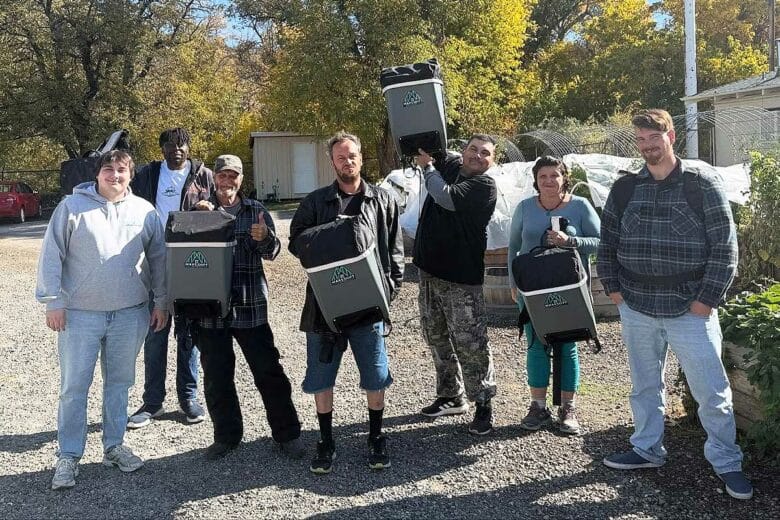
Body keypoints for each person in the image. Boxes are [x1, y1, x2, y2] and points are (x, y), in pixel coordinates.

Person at [597, 109, 752, 500]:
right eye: (641, 140)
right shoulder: (626, 189)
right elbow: (607, 243)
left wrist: (706, 301)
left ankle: (726, 461)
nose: (648, 146)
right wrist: (615, 291)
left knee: (711, 392)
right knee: (644, 387)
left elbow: (725, 249)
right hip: (637, 307)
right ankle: (647, 449)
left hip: (689, 309)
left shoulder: (701, 186)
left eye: (655, 137)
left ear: (671, 138)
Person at [36, 150, 167, 490]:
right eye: (107, 169)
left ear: (130, 175)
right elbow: (52, 254)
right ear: (97, 174)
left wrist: (162, 302)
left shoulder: (145, 211)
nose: (114, 175)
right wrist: (53, 300)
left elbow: (158, 260)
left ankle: (114, 446)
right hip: (80, 316)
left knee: (120, 384)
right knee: (74, 388)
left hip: (130, 313)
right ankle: (68, 456)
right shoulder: (71, 208)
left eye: (121, 170)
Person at [289, 131, 403, 474]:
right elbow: (297, 244)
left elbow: (395, 252)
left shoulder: (383, 199)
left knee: (375, 376)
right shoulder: (315, 202)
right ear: (332, 161)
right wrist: (334, 234)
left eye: (352, 155)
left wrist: (389, 290)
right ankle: (326, 440)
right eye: (340, 157)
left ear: (360, 157)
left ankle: (376, 436)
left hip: (369, 308)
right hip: (324, 310)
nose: (347, 161)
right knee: (321, 378)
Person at [190, 154, 303, 460]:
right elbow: (183, 253)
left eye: (233, 176)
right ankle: (226, 437)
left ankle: (287, 434)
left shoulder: (256, 210)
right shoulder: (199, 210)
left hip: (250, 306)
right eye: (222, 176)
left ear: (241, 179)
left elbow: (275, 251)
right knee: (216, 376)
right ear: (214, 178)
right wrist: (199, 220)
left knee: (269, 372)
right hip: (210, 310)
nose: (227, 181)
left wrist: (265, 238)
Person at [127, 127, 215, 428]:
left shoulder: (203, 174)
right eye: (171, 144)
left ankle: (188, 398)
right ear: (162, 147)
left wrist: (208, 207)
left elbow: (220, 209)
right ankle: (152, 402)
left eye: (183, 144)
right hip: (153, 262)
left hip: (190, 263)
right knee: (156, 333)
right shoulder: (148, 175)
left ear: (189, 148)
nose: (177, 149)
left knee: (188, 333)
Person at [507, 156, 601, 435]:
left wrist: (570, 241)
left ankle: (567, 408)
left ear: (564, 178)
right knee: (536, 345)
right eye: (543, 176)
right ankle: (538, 406)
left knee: (567, 346)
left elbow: (601, 241)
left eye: (555, 175)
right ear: (535, 180)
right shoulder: (524, 208)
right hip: (532, 290)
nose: (549, 181)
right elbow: (514, 247)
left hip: (569, 288)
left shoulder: (580, 206)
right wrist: (514, 284)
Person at [412, 135, 498, 435]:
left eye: (485, 153)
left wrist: (427, 168)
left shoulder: (483, 187)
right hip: (428, 273)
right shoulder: (449, 166)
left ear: (492, 161)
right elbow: (432, 143)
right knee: (435, 336)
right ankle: (450, 395)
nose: (477, 155)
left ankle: (483, 404)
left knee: (471, 344)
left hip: (461, 280)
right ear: (463, 152)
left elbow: (445, 196)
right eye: (472, 149)